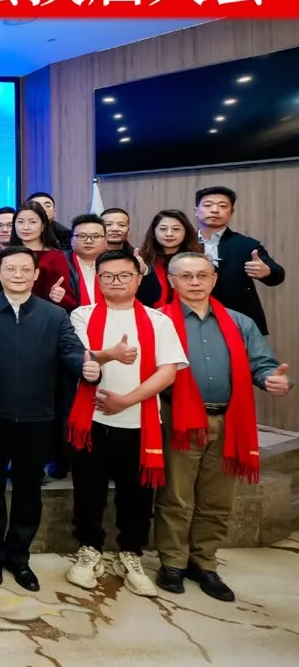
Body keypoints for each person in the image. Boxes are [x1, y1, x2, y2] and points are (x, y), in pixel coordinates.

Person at [153, 252, 293, 602]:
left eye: (202, 275)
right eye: (186, 276)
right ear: (172, 280)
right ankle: (172, 562)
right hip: (178, 419)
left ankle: (205, 563)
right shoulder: (158, 320)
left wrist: (272, 379)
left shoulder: (239, 322)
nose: (195, 282)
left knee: (217, 499)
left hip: (229, 420)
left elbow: (262, 364)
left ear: (214, 279)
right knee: (175, 496)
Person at [0, 246, 93, 592]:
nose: (18, 275)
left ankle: (19, 556)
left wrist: (88, 366)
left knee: (28, 490)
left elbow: (71, 351)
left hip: (38, 417)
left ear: (36, 274)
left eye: (25, 269)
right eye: (11, 269)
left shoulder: (54, 315)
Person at [65, 249, 187, 597]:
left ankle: (130, 555)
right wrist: (111, 354)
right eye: (107, 276)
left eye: (123, 275)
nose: (115, 281)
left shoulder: (158, 320)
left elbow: (168, 371)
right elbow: (77, 357)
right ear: (97, 279)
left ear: (137, 278)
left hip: (140, 423)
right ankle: (89, 550)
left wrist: (126, 401)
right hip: (91, 421)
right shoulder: (82, 315)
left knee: (137, 497)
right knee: (88, 492)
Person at [193, 185, 285, 335]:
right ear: (196, 211)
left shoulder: (246, 245)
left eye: (223, 206)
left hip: (238, 321)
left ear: (231, 212)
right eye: (208, 205)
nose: (215, 210)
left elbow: (278, 274)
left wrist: (267, 271)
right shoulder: (183, 243)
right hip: (192, 319)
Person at [13, 201, 76, 310]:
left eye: (32, 222)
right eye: (20, 222)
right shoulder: (7, 255)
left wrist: (59, 296)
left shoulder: (55, 256)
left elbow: (69, 300)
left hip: (44, 314)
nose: (25, 227)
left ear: (43, 226)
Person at [136, 209, 203, 308]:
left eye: (176, 229)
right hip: (151, 314)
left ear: (186, 232)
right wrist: (145, 272)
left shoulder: (198, 260)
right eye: (163, 229)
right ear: (154, 232)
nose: (169, 234)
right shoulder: (143, 260)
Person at [64, 214, 107, 308]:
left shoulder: (117, 264)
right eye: (82, 236)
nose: (88, 241)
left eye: (96, 236)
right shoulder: (59, 264)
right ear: (71, 241)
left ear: (106, 242)